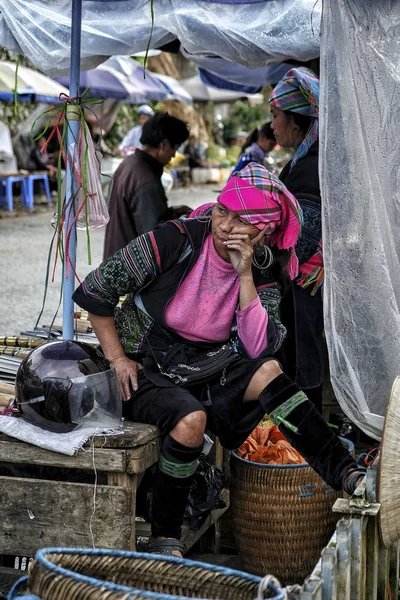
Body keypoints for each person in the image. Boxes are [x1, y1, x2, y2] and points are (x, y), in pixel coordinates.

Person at [73, 162, 365, 558]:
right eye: (223, 209)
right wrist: (118, 358)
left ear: (263, 233)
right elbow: (96, 290)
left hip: (206, 366)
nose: (225, 225)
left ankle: (344, 470)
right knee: (190, 421)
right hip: (146, 365)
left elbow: (259, 344)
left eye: (242, 219)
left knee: (269, 371)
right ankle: (164, 536)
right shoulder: (172, 240)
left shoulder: (260, 269)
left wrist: (244, 276)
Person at [269, 67, 324, 412]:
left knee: (303, 365)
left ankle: (309, 450)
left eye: (275, 116)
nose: (272, 124)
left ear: (295, 120)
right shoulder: (303, 161)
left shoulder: (308, 167)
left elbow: (301, 241)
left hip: (306, 286)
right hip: (303, 285)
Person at [103, 112, 191, 260]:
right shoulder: (146, 179)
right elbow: (154, 238)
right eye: (174, 148)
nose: (174, 155)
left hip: (117, 259)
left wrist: (173, 214)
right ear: (163, 145)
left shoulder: (129, 163)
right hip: (131, 270)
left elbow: (139, 215)